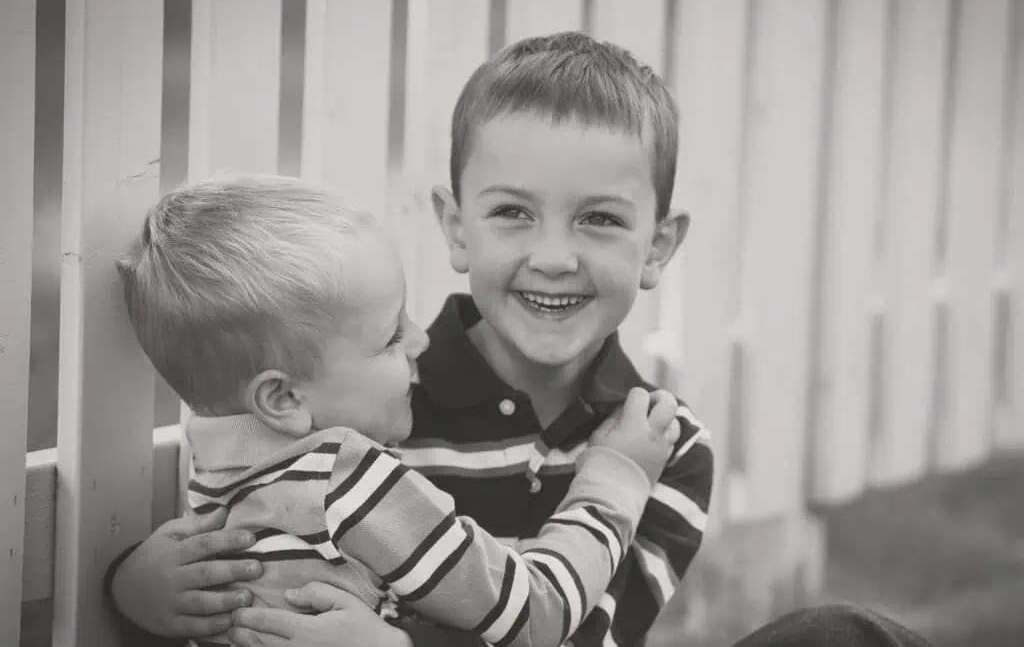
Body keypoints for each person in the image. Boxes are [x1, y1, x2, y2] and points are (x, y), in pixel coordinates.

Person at [105, 32, 933, 647]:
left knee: (844, 635)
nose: (553, 255)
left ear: (658, 246)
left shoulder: (661, 445)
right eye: (512, 212)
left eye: (600, 219)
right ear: (454, 228)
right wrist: (134, 586)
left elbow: (577, 632)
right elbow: (243, 538)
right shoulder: (368, 398)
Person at [114, 174, 684, 647]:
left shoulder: (220, 481)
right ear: (283, 399)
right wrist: (613, 482)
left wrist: (124, 586)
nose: (419, 342)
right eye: (390, 336)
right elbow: (536, 613)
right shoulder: (351, 483)